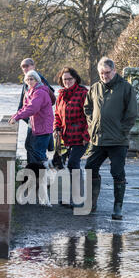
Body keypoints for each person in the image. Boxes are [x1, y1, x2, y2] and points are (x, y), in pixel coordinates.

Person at [84, 56, 138, 220]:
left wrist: (122, 131)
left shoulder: (126, 88)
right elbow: (87, 108)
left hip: (117, 141)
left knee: (117, 172)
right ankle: (91, 203)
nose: (104, 76)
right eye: (101, 73)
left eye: (107, 73)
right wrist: (92, 125)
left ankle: (117, 207)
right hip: (98, 139)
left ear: (114, 71)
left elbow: (132, 114)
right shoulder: (94, 88)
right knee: (89, 167)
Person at [9, 70, 54, 205]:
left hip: (43, 128)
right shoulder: (30, 91)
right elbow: (25, 107)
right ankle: (39, 181)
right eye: (27, 79)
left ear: (38, 80)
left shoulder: (40, 92)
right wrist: (15, 115)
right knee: (33, 150)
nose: (29, 81)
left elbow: (32, 109)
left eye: (32, 79)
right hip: (37, 127)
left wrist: (17, 117)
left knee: (40, 156)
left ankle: (46, 181)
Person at [54, 67, 89, 207]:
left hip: (81, 136)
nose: (67, 81)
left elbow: (90, 117)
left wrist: (86, 135)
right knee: (69, 166)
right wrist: (56, 128)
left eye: (70, 79)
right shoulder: (61, 95)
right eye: (64, 79)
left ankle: (77, 197)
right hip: (66, 137)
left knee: (73, 164)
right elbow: (57, 114)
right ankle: (70, 197)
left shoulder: (83, 93)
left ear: (75, 79)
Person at [18, 58, 55, 159]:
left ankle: (38, 170)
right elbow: (24, 101)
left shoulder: (37, 78)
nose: (25, 68)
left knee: (36, 150)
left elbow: (50, 93)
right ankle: (33, 168)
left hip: (40, 120)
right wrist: (18, 113)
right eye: (23, 67)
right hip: (32, 119)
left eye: (27, 65)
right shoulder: (27, 79)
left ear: (33, 66)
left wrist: (43, 109)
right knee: (30, 146)